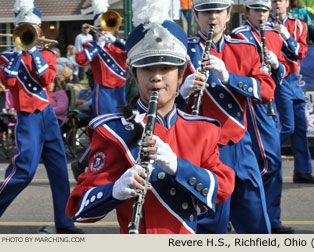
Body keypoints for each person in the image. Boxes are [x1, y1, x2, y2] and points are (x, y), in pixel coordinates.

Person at [65, 3, 235, 233]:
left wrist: (179, 167)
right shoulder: (114, 132)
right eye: (147, 69)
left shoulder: (202, 130)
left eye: (166, 68)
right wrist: (114, 190)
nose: (156, 78)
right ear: (134, 73)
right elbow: (77, 208)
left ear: (182, 72)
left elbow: (224, 188)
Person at [178, 0, 276, 234]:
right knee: (211, 222)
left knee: (256, 218)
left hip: (240, 144)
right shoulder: (182, 51)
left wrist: (229, 78)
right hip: (203, 147)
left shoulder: (245, 48)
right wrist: (182, 92)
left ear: (229, 14)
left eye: (218, 11)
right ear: (196, 15)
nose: (212, 17)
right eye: (206, 11)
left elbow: (267, 90)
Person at [0, 0, 83, 234]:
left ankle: (65, 222)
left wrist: (33, 51)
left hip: (47, 115)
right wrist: (18, 54)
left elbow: (47, 80)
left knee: (59, 169)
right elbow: (8, 81)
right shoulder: (7, 57)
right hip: (28, 118)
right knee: (24, 171)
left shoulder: (47, 54)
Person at [232, 0, 292, 234]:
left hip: (270, 100)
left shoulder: (273, 33)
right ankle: (259, 217)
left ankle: (271, 217)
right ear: (247, 11)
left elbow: (288, 66)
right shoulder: (240, 35)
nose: (261, 15)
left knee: (270, 162)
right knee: (268, 161)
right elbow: (236, 68)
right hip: (252, 102)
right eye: (256, 10)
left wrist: (276, 65)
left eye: (264, 10)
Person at [71, 0, 128, 181]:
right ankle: (82, 163)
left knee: (121, 129)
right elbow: (80, 60)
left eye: (108, 28)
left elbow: (132, 52)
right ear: (96, 30)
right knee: (103, 130)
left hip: (121, 91)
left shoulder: (119, 45)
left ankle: (104, 164)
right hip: (103, 93)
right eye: (102, 29)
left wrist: (116, 41)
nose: (105, 32)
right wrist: (99, 45)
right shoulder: (92, 47)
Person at [270, 0, 314, 184]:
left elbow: (302, 52)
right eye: (273, 1)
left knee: (300, 128)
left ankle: (302, 171)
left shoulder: (298, 25)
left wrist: (287, 37)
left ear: (287, 3)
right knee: (287, 126)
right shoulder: (266, 26)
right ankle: (263, 156)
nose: (277, 4)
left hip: (293, 79)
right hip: (278, 78)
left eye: (280, 1)